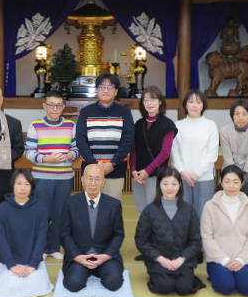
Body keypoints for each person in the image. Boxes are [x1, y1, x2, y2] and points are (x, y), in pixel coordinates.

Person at [0, 169, 53, 297]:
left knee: (35, 285)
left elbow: (42, 238)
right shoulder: (2, 210)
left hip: (32, 261)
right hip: (10, 262)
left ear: (32, 187)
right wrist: (12, 264)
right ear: (12, 185)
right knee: (10, 286)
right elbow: (0, 239)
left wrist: (33, 264)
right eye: (19, 183)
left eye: (27, 184)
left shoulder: (40, 209)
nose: (22, 188)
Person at [25, 90, 80, 259]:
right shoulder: (35, 125)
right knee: (42, 213)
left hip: (64, 177)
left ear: (63, 107)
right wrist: (46, 159)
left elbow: (76, 149)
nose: (54, 109)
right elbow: (29, 153)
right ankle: (41, 248)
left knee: (60, 214)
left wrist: (69, 156)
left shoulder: (70, 125)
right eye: (51, 105)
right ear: (44, 106)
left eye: (58, 105)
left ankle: (54, 247)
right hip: (42, 177)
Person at [135, 167, 205, 296]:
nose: (169, 188)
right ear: (159, 185)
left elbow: (196, 240)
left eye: (174, 184)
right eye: (165, 183)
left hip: (182, 260)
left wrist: (182, 259)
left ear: (179, 186)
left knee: (184, 288)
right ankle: (159, 275)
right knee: (165, 287)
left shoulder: (188, 210)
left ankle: (183, 275)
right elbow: (141, 240)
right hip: (159, 260)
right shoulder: (150, 210)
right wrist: (159, 258)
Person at [60, 164, 125, 292]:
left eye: (97, 179)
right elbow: (65, 234)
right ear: (82, 180)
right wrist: (77, 257)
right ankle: (83, 271)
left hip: (104, 255)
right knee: (73, 284)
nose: (93, 183)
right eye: (89, 178)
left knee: (114, 283)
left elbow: (118, 234)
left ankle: (100, 270)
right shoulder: (70, 203)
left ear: (103, 182)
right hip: (79, 254)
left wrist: (105, 256)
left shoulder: (114, 204)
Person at [200, 165, 248, 296]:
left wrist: (242, 260)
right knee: (226, 287)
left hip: (241, 259)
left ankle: (234, 272)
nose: (231, 186)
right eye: (227, 181)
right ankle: (217, 273)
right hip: (218, 259)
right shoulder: (210, 206)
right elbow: (206, 237)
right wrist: (224, 260)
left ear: (242, 184)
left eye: (235, 182)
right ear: (221, 182)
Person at [76, 73, 134, 201]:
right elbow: (80, 139)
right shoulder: (86, 112)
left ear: (116, 91)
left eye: (110, 87)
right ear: (96, 90)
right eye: (102, 87)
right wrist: (94, 163)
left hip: (115, 170)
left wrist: (112, 163)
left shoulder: (124, 113)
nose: (106, 90)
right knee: (90, 209)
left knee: (112, 211)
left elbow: (128, 141)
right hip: (90, 171)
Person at [170, 89, 219, 219]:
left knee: (203, 216)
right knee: (182, 215)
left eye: (198, 102)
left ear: (203, 105)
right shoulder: (177, 125)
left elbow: (212, 154)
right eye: (191, 102)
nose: (194, 105)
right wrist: (182, 172)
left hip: (204, 177)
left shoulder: (210, 125)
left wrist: (197, 173)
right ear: (185, 105)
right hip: (182, 177)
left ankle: (201, 240)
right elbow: (174, 152)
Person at [130, 86, 177, 215]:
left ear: (160, 102)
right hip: (138, 176)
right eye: (146, 100)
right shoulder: (138, 124)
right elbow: (134, 150)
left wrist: (147, 171)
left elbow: (165, 152)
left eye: (153, 99)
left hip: (156, 175)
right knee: (141, 211)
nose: (149, 103)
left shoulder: (167, 124)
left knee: (156, 211)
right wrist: (133, 170)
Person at [219, 99, 248, 205]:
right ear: (232, 116)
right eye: (237, 114)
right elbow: (227, 158)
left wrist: (243, 180)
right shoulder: (225, 131)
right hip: (229, 170)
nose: (241, 117)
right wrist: (232, 178)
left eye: (244, 114)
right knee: (228, 205)